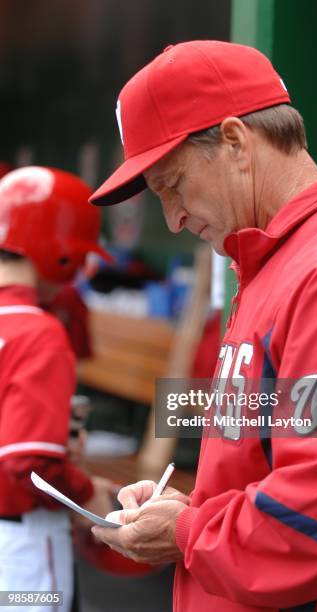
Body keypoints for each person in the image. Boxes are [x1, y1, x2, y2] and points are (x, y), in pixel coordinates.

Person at [89, 41, 317, 611]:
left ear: (235, 141)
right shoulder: (278, 262)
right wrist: (188, 509)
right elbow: (272, 463)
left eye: (173, 184)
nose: (173, 218)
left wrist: (188, 533)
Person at [0, 166, 114, 612]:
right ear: (59, 251)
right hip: (19, 555)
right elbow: (27, 462)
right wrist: (88, 493)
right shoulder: (39, 331)